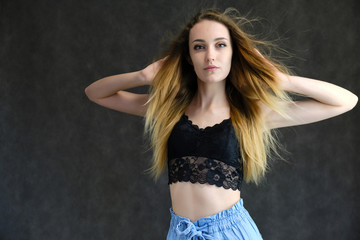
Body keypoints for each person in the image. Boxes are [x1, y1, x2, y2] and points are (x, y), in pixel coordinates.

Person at [84, 8, 357, 240]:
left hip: (229, 232)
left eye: (220, 45)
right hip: (180, 232)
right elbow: (95, 93)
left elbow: (345, 101)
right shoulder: (168, 109)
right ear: (189, 57)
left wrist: (280, 80)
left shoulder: (251, 112)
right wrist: (142, 75)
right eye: (199, 46)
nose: (210, 56)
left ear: (233, 54)